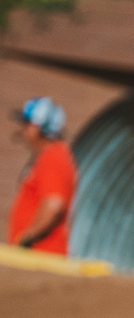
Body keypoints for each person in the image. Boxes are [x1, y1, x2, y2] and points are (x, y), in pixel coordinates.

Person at [8, 97, 77, 254]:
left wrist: (26, 238)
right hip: (35, 256)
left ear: (43, 128)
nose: (22, 128)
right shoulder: (46, 157)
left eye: (27, 123)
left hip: (42, 256)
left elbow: (54, 205)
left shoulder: (53, 157)